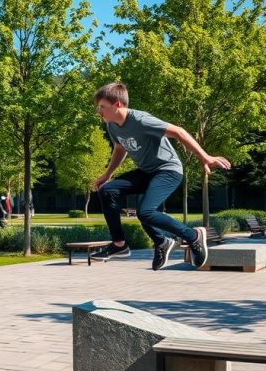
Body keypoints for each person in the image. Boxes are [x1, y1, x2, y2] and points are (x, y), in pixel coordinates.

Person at [90, 82, 231, 270]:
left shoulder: (140, 120)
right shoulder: (113, 126)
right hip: (147, 172)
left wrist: (204, 157)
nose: (99, 112)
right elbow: (119, 149)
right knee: (107, 190)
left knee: (146, 212)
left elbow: (179, 132)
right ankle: (121, 245)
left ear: (118, 105)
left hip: (168, 170)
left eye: (102, 107)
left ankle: (193, 236)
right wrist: (107, 174)